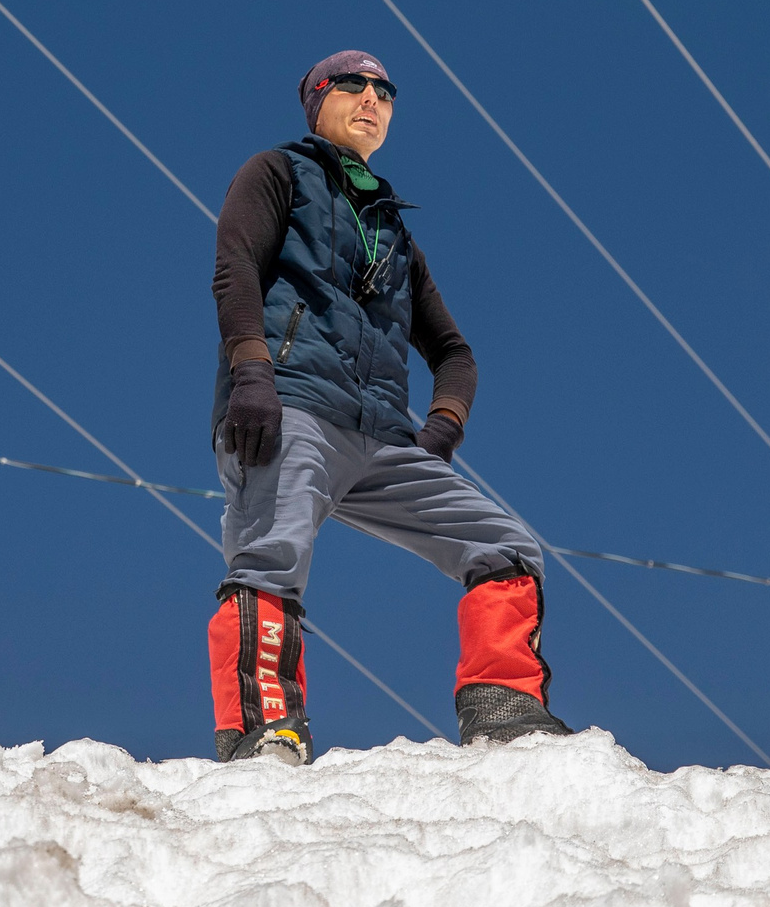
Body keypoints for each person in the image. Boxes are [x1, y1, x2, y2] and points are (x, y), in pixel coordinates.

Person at [207, 50, 569, 764]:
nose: (372, 97)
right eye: (352, 85)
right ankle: (262, 729)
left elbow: (455, 354)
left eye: (386, 90)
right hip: (291, 407)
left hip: (382, 438)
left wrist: (440, 431)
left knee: (508, 546)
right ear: (317, 101)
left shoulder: (394, 231)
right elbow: (235, 264)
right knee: (270, 554)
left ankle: (505, 710)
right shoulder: (278, 172)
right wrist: (252, 372)